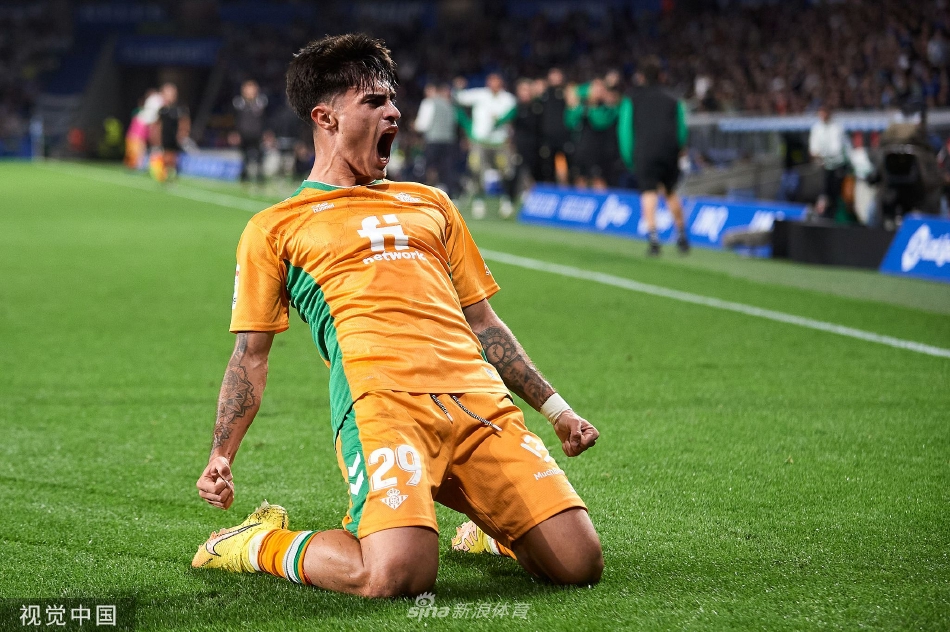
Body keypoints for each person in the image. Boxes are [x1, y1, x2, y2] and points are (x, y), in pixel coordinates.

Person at [192, 33, 603, 599]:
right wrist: (222, 454)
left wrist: (556, 411)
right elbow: (250, 357)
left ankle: (492, 529)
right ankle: (259, 542)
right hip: (382, 407)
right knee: (396, 575)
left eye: (392, 99)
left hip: (478, 401)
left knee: (580, 563)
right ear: (325, 118)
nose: (394, 112)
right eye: (374, 101)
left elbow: (485, 324)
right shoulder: (276, 227)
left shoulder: (431, 203)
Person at [624, 60, 689, 255]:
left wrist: (629, 158)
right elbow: (682, 130)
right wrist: (679, 150)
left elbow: (625, 131)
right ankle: (681, 235)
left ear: (641, 77)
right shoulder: (674, 99)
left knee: (648, 192)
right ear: (661, 76)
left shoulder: (632, 99)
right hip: (668, 152)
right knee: (670, 191)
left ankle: (653, 239)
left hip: (645, 152)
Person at [453, 73, 517, 218]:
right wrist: (458, 87)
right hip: (480, 142)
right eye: (491, 81)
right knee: (476, 171)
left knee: (506, 172)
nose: (493, 84)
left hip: (499, 143)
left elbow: (512, 113)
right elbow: (458, 99)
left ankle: (506, 200)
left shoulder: (508, 99)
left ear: (501, 83)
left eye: (496, 81)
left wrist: (499, 121)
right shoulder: (480, 95)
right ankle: (479, 201)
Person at [413, 83, 459, 198]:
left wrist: (414, 126)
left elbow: (422, 125)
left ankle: (422, 191)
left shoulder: (429, 103)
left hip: (433, 140)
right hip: (449, 140)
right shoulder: (449, 104)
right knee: (447, 168)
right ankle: (449, 193)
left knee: (427, 166)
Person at [808, 105, 849, 220]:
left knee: (837, 194)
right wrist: (818, 157)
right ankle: (824, 215)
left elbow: (836, 150)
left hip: (838, 166)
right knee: (824, 193)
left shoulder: (837, 128)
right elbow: (813, 149)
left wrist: (822, 155)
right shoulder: (816, 128)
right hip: (824, 167)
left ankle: (838, 216)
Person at [538, 68, 571, 184]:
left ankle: (565, 188)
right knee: (547, 168)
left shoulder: (567, 92)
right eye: (553, 74)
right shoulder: (544, 93)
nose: (555, 77)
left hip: (564, 136)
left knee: (567, 166)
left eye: (557, 75)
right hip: (547, 137)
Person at [233, 80, 269, 184]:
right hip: (244, 134)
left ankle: (259, 177)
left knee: (259, 157)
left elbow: (265, 119)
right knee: (244, 157)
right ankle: (244, 176)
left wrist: (266, 132)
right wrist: (235, 133)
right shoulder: (239, 103)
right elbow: (236, 119)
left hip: (257, 134)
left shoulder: (261, 103)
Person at [155, 83, 190, 182]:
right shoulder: (162, 110)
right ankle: (165, 174)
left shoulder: (180, 109)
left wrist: (183, 133)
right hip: (165, 137)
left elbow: (184, 122)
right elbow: (158, 124)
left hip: (175, 137)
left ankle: (173, 175)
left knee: (173, 157)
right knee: (165, 156)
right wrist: (156, 137)